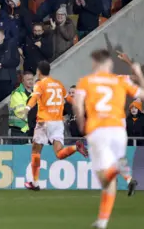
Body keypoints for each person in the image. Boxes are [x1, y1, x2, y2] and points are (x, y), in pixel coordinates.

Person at [73, 50, 144, 228]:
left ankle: (118, 171)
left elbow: (77, 104)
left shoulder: (85, 82)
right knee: (115, 168)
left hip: (97, 130)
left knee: (104, 179)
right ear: (110, 64)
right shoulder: (120, 80)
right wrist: (138, 72)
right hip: (118, 130)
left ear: (94, 63)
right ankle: (103, 221)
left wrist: (81, 123)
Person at [23, 61, 88, 191]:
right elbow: (68, 99)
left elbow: (34, 98)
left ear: (39, 72)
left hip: (43, 122)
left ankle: (35, 183)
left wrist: (27, 108)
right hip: (58, 122)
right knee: (59, 153)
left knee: (36, 151)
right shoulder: (58, 84)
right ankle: (76, 147)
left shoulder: (40, 84)